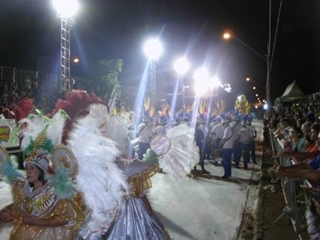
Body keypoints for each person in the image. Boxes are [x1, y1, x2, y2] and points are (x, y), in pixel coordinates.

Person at [0, 111, 84, 240]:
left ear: (42, 170)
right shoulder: (24, 187)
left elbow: (68, 218)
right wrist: (11, 214)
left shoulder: (56, 191)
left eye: (33, 167)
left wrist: (38, 222)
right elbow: (23, 209)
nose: (28, 171)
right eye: (27, 168)